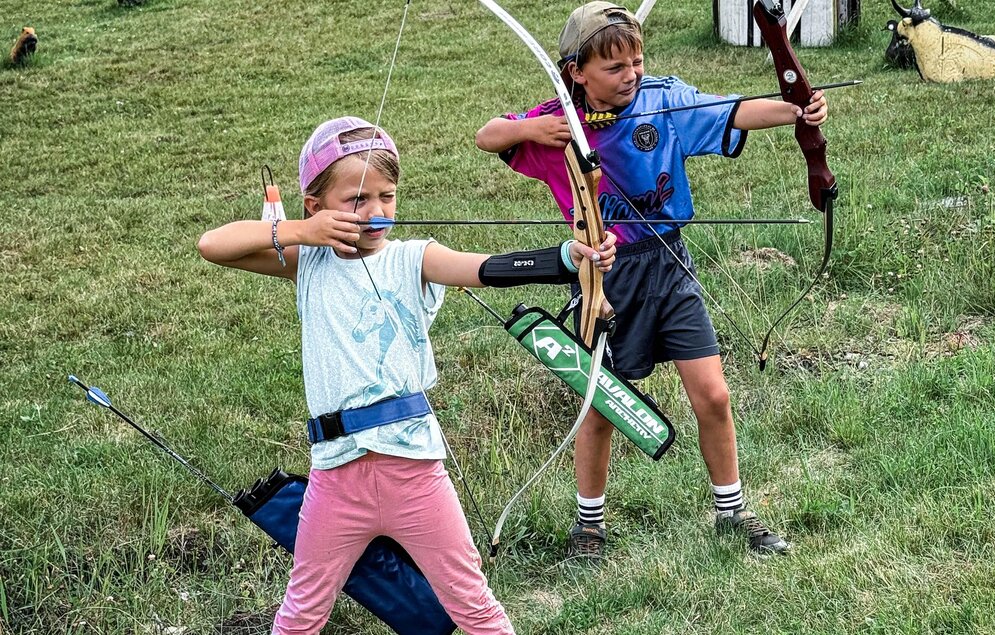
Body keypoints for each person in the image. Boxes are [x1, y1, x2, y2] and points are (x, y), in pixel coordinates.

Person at [197, 116, 616, 634]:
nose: (376, 212)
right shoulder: (307, 261)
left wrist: (569, 258)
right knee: (302, 611)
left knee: (472, 603)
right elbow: (213, 244)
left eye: (387, 197)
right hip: (335, 477)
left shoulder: (412, 258)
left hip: (413, 471)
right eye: (357, 200)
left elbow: (485, 267)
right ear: (316, 206)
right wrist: (302, 234)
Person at [474, 1, 829, 559]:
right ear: (577, 73)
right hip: (604, 279)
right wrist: (537, 127)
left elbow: (733, 113)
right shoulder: (558, 124)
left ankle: (732, 510)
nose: (631, 75)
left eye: (636, 61)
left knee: (712, 393)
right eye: (614, 68)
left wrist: (796, 111)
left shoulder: (663, 102)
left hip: (670, 265)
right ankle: (589, 524)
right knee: (601, 404)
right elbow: (487, 135)